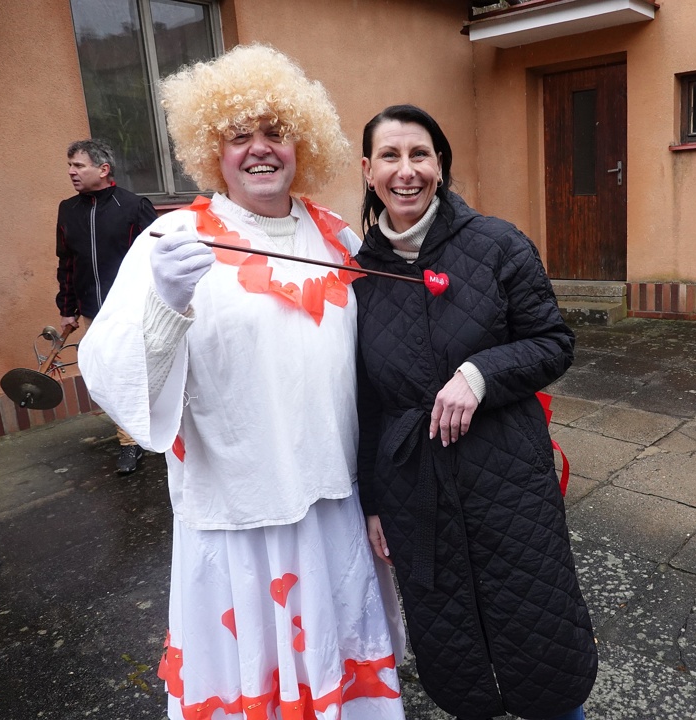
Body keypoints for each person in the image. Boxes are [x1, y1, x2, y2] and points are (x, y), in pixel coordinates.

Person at [77, 44, 406, 720]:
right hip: (239, 511)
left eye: (275, 131)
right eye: (238, 135)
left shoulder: (339, 240)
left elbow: (383, 362)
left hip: (333, 499)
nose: (259, 149)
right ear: (212, 150)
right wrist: (165, 305)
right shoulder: (174, 239)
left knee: (335, 661)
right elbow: (110, 375)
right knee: (257, 671)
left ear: (301, 142)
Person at [354, 104, 597, 720]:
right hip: (413, 488)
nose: (406, 171)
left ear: (440, 165)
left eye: (420, 154)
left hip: (507, 475)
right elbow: (366, 404)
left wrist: (480, 374)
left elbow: (553, 343)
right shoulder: (358, 276)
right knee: (453, 646)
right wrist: (374, 504)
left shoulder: (497, 244)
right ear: (367, 170)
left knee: (541, 638)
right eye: (389, 156)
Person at [56, 139, 157, 474]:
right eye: (70, 165)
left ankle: (166, 427)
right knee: (111, 375)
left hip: (135, 310)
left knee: (145, 371)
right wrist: (67, 307)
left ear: (103, 169)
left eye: (79, 165)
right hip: (93, 311)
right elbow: (66, 262)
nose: (71, 172)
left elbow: (158, 259)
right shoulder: (68, 210)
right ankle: (129, 442)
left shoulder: (134, 206)